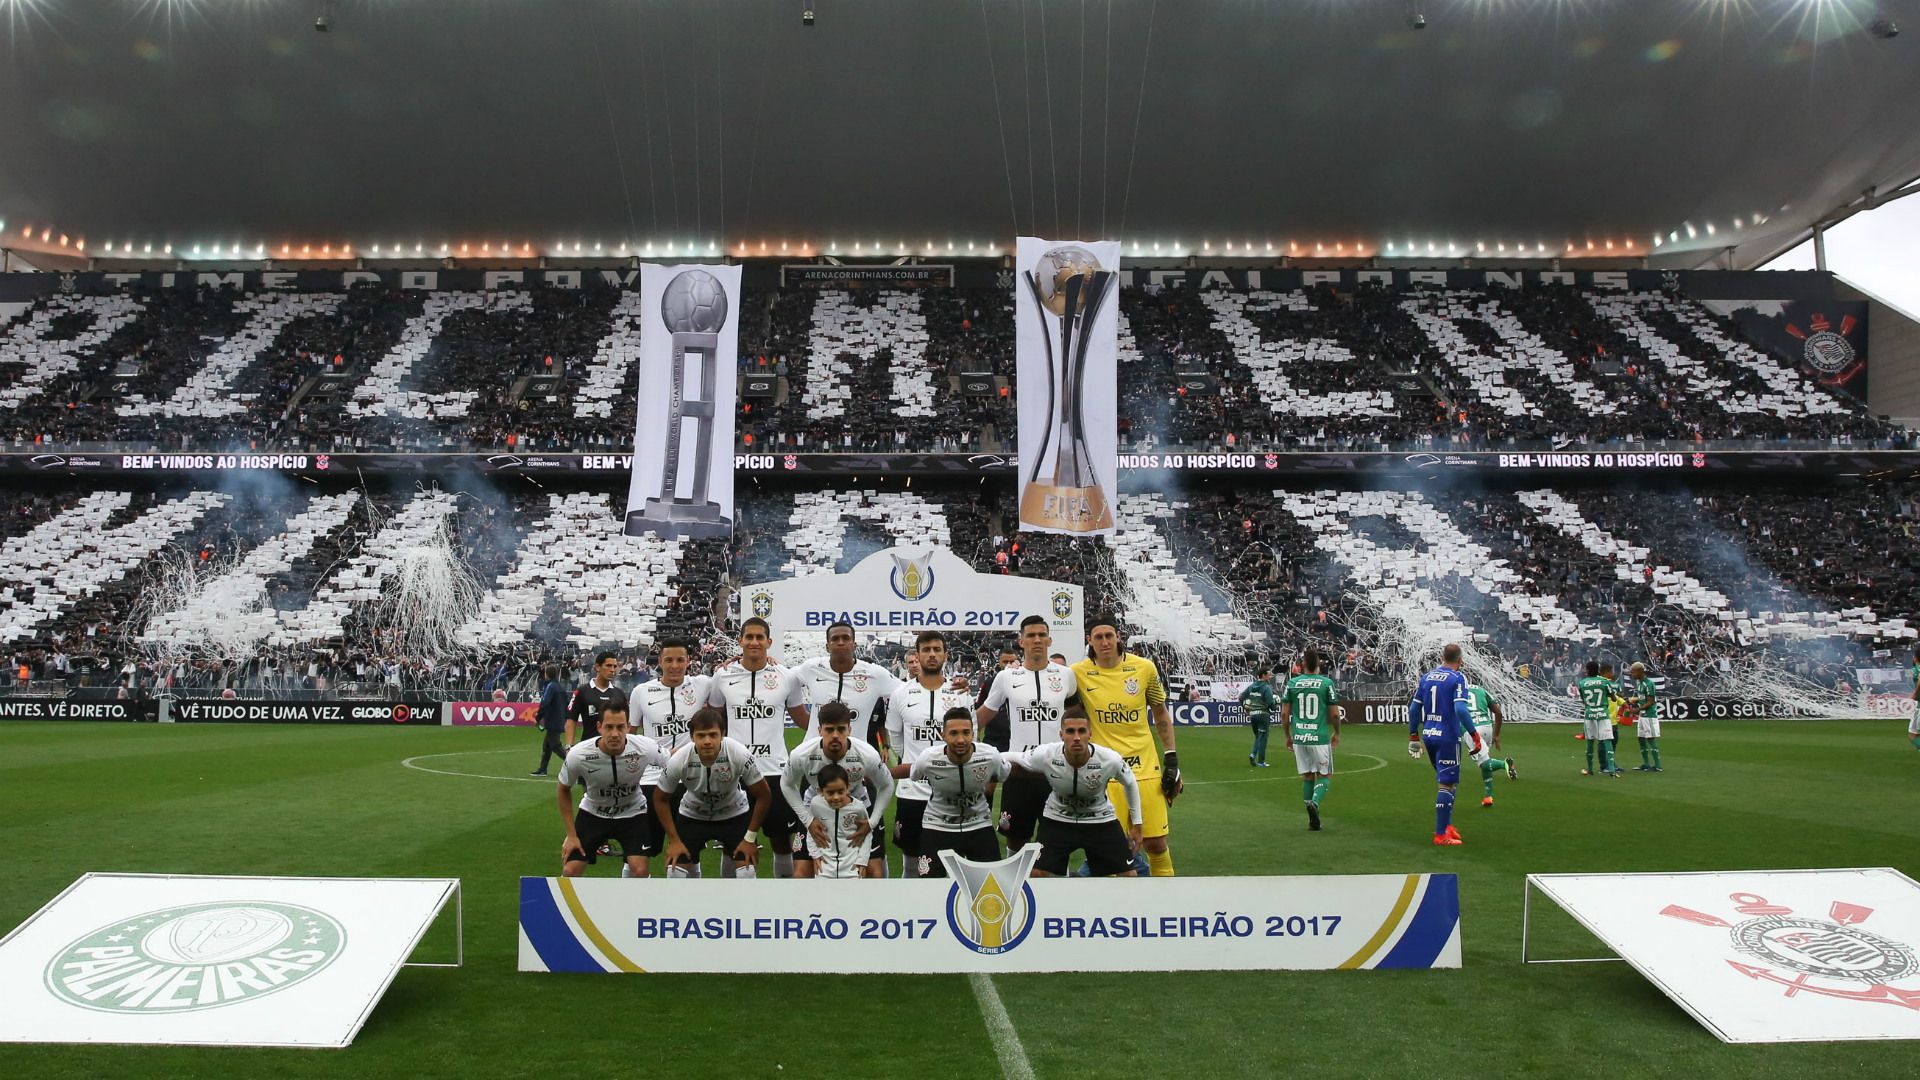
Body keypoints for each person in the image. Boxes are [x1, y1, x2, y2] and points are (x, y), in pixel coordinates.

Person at [1072, 614, 1182, 877]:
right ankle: (1116, 910)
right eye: (1098, 637)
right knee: (1110, 849)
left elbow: (1160, 712)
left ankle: (1166, 903)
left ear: (1118, 637)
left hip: (1144, 767)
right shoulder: (1078, 673)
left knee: (1156, 843)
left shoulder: (1144, 668)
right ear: (1090, 640)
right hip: (1105, 774)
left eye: (1109, 635)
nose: (1105, 641)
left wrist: (1172, 758)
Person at [705, 617, 811, 877]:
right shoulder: (723, 676)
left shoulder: (786, 677)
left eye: (759, 637)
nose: (754, 642)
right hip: (734, 772)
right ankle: (731, 899)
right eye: (749, 637)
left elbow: (803, 720)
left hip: (775, 771)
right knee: (734, 840)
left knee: (781, 840)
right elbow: (714, 718)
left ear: (769, 642)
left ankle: (783, 896)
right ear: (740, 641)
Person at [978, 615, 1082, 851]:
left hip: (1056, 771)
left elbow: (1077, 714)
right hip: (1019, 771)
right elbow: (984, 714)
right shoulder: (1006, 677)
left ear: (1049, 640)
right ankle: (1015, 887)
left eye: (1041, 635)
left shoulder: (1066, 675)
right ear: (1021, 641)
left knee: (1057, 840)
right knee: (1015, 839)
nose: (1037, 640)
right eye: (1031, 635)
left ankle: (1055, 886)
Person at [884, 631, 978, 877]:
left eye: (937, 649)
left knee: (951, 862)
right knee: (911, 862)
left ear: (946, 655)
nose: (932, 654)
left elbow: (972, 739)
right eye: (926, 650)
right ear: (918, 655)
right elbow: (895, 739)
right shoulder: (901, 694)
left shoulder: (961, 694)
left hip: (952, 792)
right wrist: (913, 765)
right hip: (913, 791)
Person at [1012, 714, 1142, 877]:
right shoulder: (1046, 754)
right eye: (1070, 731)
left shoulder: (1110, 759)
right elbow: (1012, 758)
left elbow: (1130, 783)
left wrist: (1137, 824)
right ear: (1061, 735)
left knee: (1129, 876)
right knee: (1035, 873)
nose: (1076, 738)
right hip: (1058, 818)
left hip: (1099, 819)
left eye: (1081, 731)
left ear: (1090, 734)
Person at [653, 707, 770, 879]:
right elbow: (659, 798)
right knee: (675, 871)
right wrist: (674, 840)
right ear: (692, 737)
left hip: (734, 814)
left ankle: (735, 904)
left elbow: (764, 795)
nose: (707, 741)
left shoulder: (738, 753)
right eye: (701, 735)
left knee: (747, 871)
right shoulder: (679, 759)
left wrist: (750, 838)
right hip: (692, 815)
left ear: (722, 734)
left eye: (713, 735)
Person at [782, 701, 895, 879]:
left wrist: (872, 822)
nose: (835, 735)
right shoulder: (802, 754)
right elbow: (786, 784)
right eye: (829, 730)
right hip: (816, 811)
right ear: (819, 730)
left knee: (874, 872)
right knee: (801, 874)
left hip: (857, 810)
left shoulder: (866, 754)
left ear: (849, 730)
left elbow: (887, 785)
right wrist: (808, 820)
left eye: (841, 729)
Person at [555, 704, 666, 877]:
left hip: (633, 813)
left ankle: (635, 904)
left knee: (640, 870)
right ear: (599, 727)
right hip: (593, 813)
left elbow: (673, 763)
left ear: (628, 727)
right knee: (570, 870)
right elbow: (563, 788)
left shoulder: (645, 747)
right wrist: (571, 835)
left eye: (620, 727)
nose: (615, 734)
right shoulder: (579, 754)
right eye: (609, 727)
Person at [899, 708, 1008, 875]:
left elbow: (1002, 774)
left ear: (974, 734)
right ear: (943, 735)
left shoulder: (990, 755)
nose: (960, 740)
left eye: (966, 733)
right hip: (938, 825)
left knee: (992, 883)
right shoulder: (928, 758)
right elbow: (914, 774)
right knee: (929, 885)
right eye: (953, 733)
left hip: (978, 823)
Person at [1408, 643, 1485, 846]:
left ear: (1442, 657)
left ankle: (1447, 825)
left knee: (1447, 780)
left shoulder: (1427, 677)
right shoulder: (1458, 678)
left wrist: (1413, 737)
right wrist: (1474, 734)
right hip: (1448, 736)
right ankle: (1441, 834)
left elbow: (1414, 710)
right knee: (1447, 783)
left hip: (1429, 734)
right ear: (1460, 661)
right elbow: (1460, 709)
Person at [793, 622, 901, 747]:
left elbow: (907, 692)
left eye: (846, 638)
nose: (840, 642)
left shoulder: (874, 674)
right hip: (814, 754)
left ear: (854, 645)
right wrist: (769, 663)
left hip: (855, 756)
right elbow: (783, 678)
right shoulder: (812, 668)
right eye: (835, 639)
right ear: (827, 646)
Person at [1281, 650, 1342, 831]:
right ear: (1318, 665)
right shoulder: (1326, 683)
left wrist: (1287, 736)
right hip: (1320, 737)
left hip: (1299, 737)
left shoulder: (1292, 683)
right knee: (1325, 775)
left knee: (1307, 776)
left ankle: (1312, 818)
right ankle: (1314, 803)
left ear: (1302, 665)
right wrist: (1337, 733)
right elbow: (1335, 714)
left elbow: (1284, 714)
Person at [805, 764, 874, 879]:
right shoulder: (816, 805)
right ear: (821, 791)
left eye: (840, 791)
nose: (836, 797)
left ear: (847, 788)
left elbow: (867, 833)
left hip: (852, 868)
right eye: (830, 793)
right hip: (824, 868)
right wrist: (815, 854)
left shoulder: (858, 808)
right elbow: (811, 831)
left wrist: (862, 860)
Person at [1464, 681, 1517, 806]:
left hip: (1471, 729)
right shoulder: (1481, 690)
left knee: (1484, 763)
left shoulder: (1457, 690)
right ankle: (1488, 796)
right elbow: (1498, 712)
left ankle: (1504, 764)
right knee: (1484, 761)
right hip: (1486, 727)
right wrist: (1496, 735)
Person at [565, 651, 627, 747]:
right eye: (609, 666)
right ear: (598, 667)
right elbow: (571, 719)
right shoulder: (582, 691)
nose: (612, 670)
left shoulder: (619, 694)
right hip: (589, 749)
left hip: (614, 749)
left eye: (615, 667)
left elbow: (625, 723)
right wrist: (569, 746)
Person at [1577, 661, 1622, 777]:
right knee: (1607, 741)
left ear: (1587, 670)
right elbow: (1613, 698)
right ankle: (1612, 770)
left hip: (1590, 714)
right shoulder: (1605, 682)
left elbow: (1583, 699)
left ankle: (1590, 769)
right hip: (1603, 714)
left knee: (1590, 742)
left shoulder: (1582, 683)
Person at [530, 663, 568, 776]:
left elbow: (545, 703)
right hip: (559, 719)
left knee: (555, 746)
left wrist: (538, 717)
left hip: (552, 720)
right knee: (547, 746)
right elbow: (566, 704)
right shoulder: (561, 687)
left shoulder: (550, 687)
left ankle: (575, 765)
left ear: (547, 674)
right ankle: (542, 769)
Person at [1239, 667, 1278, 768]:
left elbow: (1241, 697)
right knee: (1263, 738)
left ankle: (1253, 754)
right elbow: (1270, 703)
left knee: (1257, 736)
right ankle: (1261, 762)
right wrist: (1275, 706)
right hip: (1263, 715)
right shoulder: (1266, 688)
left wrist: (1246, 708)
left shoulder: (1252, 686)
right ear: (1263, 675)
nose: (1269, 677)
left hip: (1253, 715)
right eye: (1268, 674)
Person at [1627, 662, 1663, 771]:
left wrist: (1637, 709)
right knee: (1641, 738)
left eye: (1633, 672)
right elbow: (1643, 700)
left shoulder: (1649, 684)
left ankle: (1658, 766)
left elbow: (1650, 702)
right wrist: (1635, 703)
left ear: (1639, 671)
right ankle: (1646, 764)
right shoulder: (1639, 683)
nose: (1631, 674)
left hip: (1649, 715)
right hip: (1642, 716)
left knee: (1650, 738)